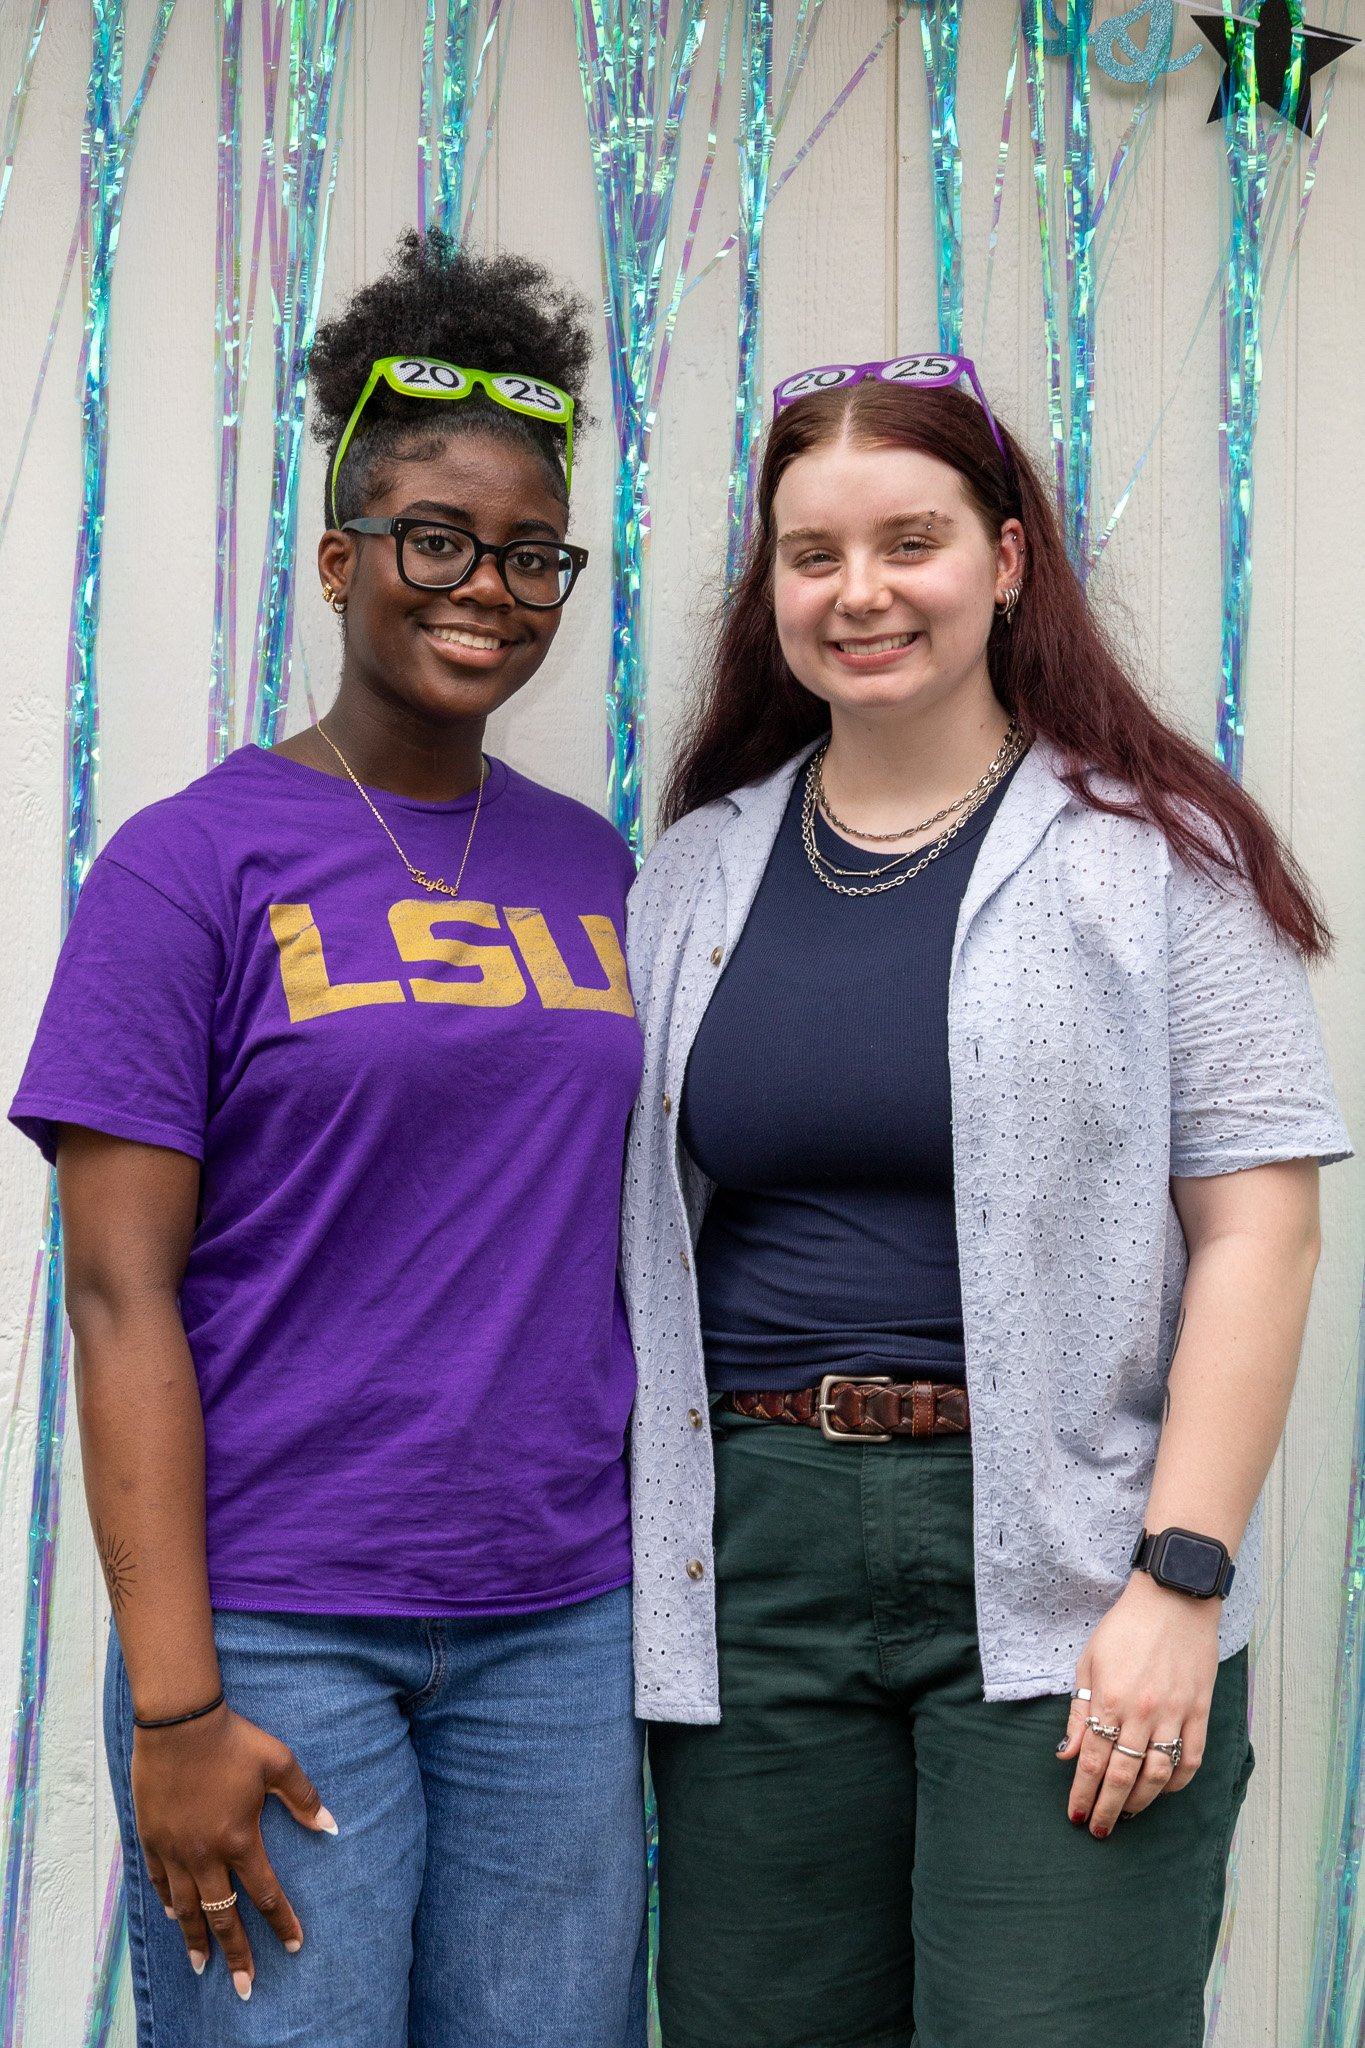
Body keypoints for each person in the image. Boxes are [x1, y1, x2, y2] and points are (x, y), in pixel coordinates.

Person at [619, 353, 1351, 2048]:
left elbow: (1260, 1228)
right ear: (772, 588)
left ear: (1006, 559)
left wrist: (1178, 1581)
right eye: (813, 556)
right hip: (753, 1563)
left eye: (910, 541)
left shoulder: (1156, 854)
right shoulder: (696, 870)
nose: (859, 593)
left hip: (1072, 1557)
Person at [9, 232, 648, 2048]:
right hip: (284, 1625)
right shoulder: (188, 867)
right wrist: (172, 1703)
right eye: (439, 539)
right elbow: (121, 1301)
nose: (489, 589)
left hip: (562, 1625)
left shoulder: (595, 869)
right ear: (340, 556)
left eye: (533, 553)